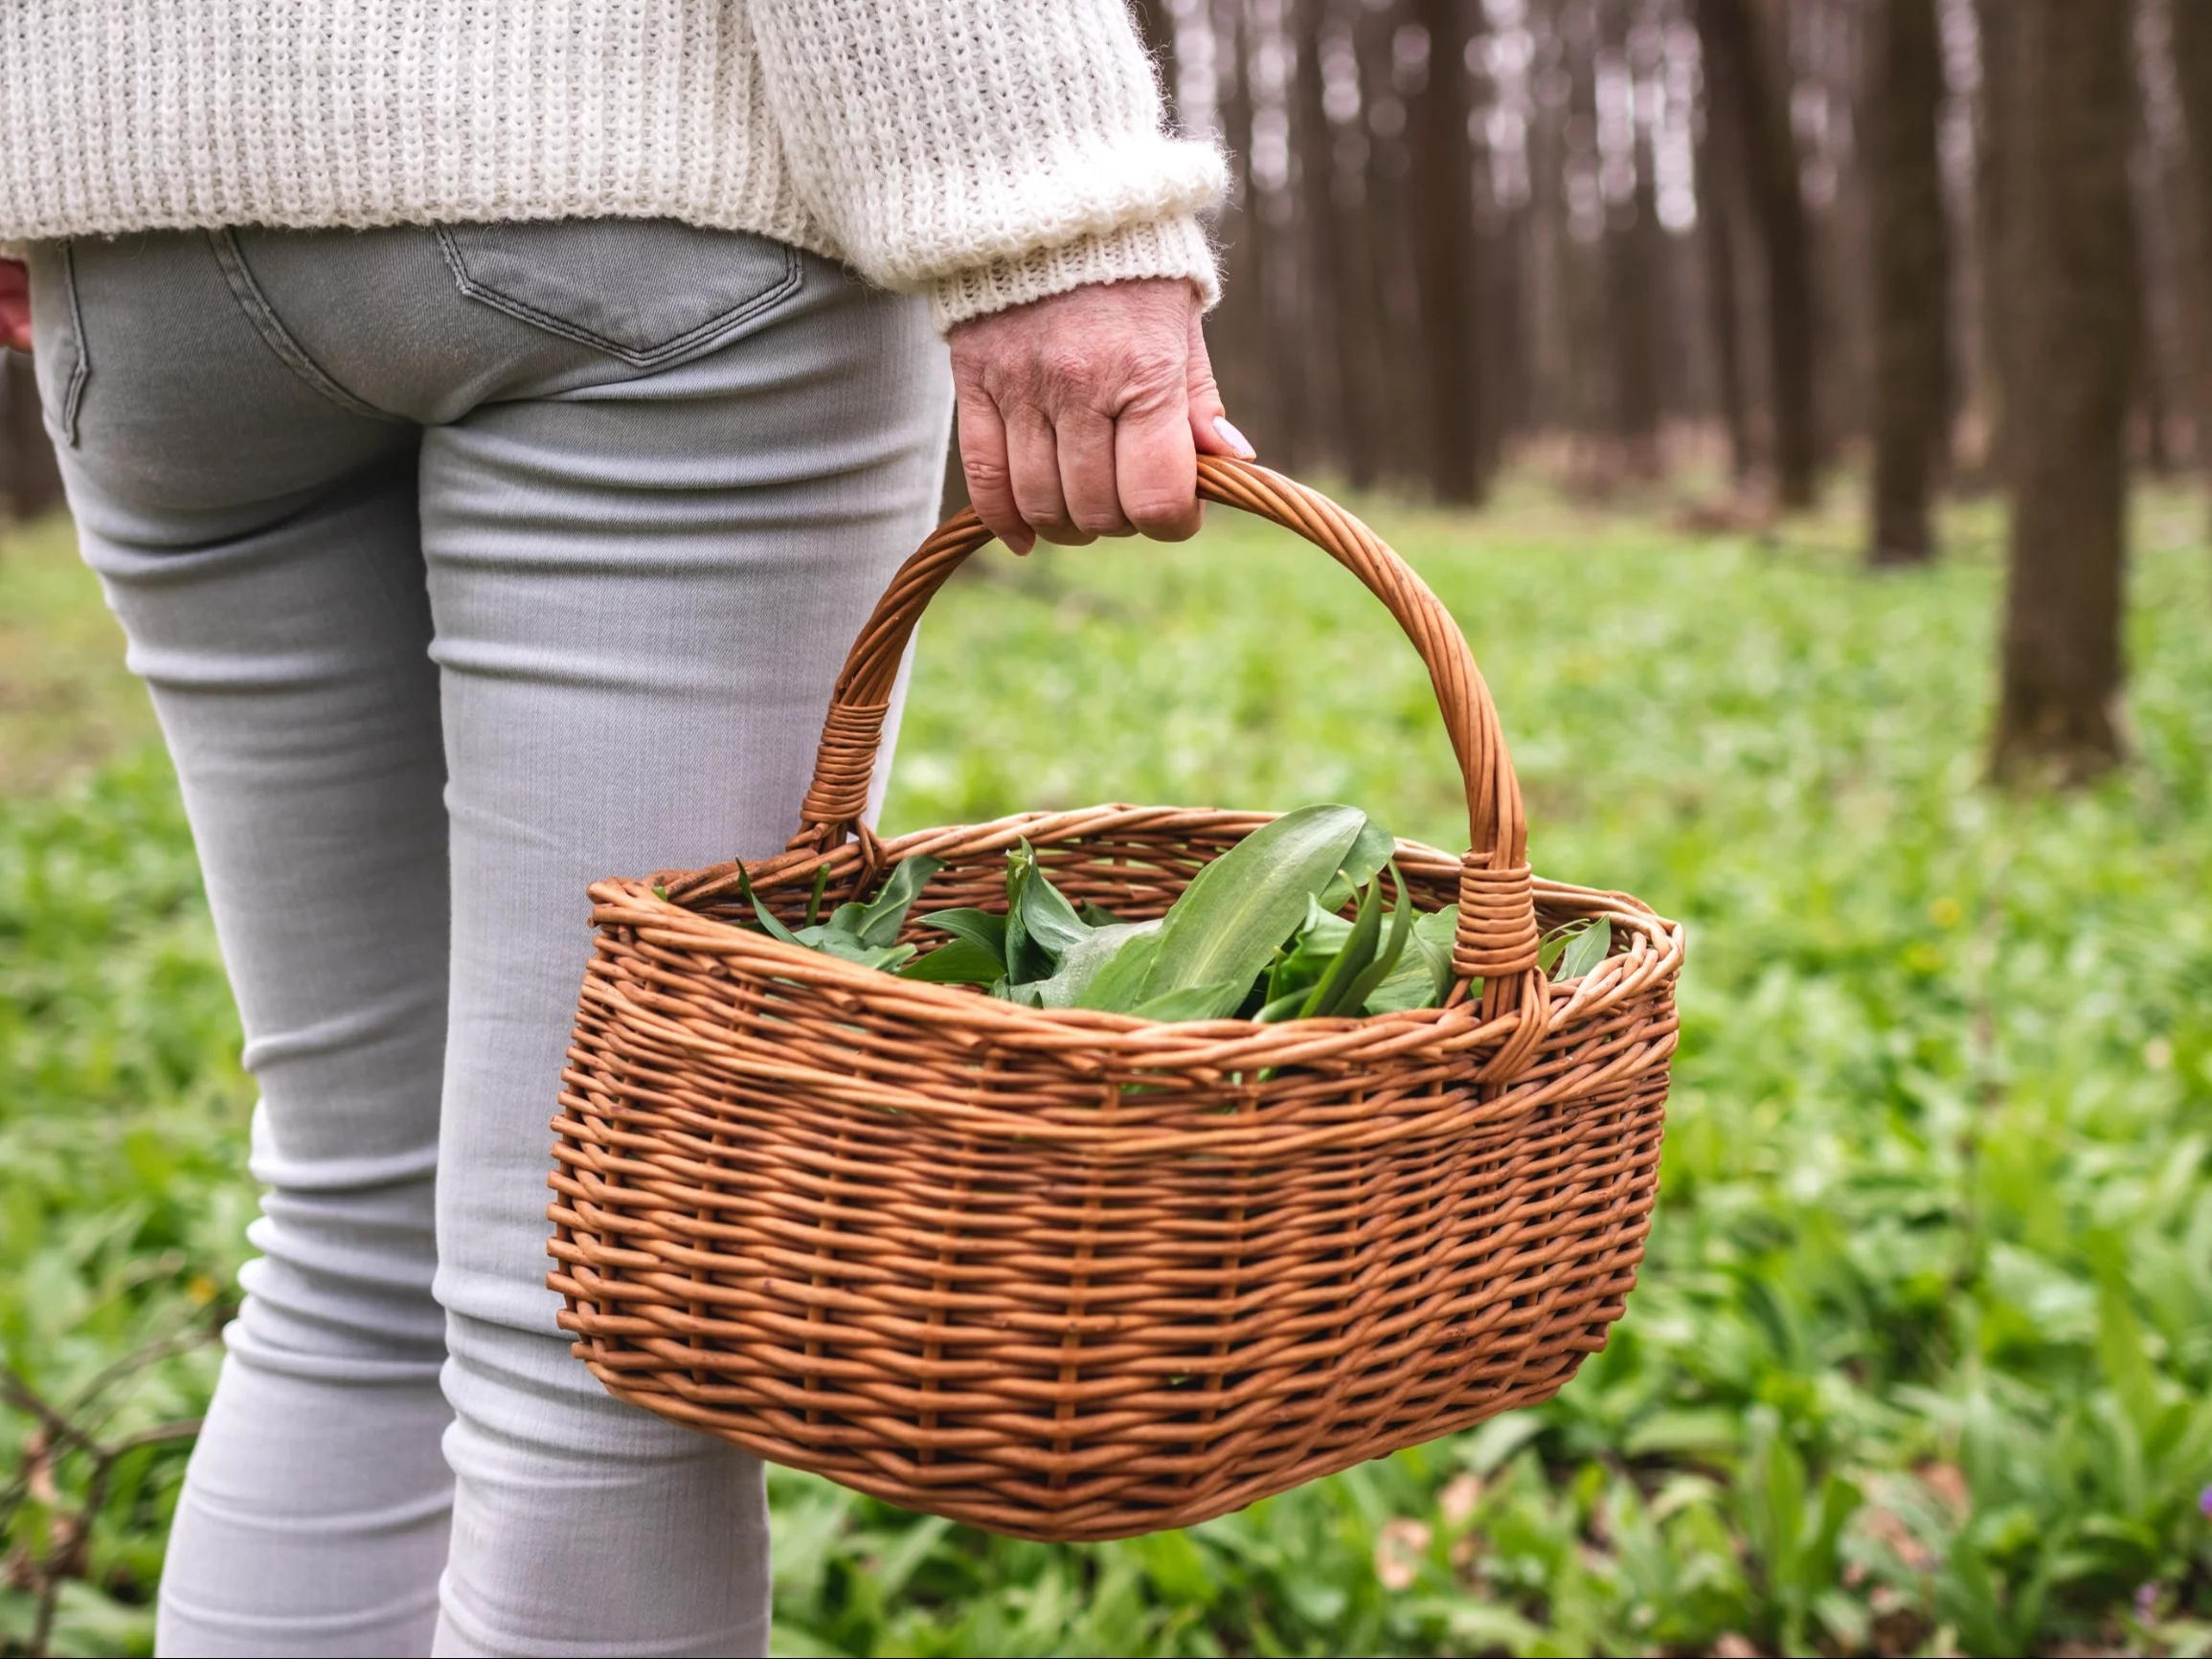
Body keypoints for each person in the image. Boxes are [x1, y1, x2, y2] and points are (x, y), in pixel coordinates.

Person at [0, 4, 1253, 1653]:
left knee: (347, 1244)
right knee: (605, 1299)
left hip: (139, 229)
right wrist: (1051, 200)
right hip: (628, 192)